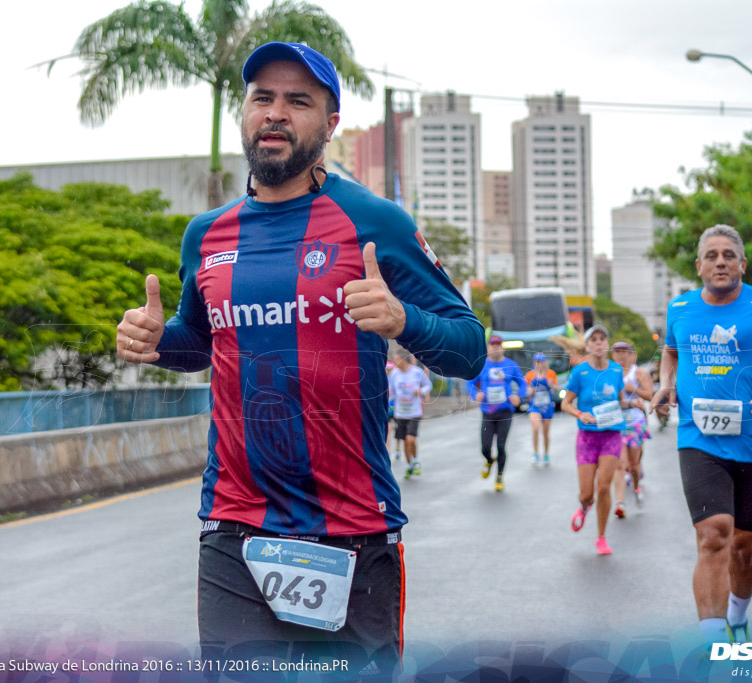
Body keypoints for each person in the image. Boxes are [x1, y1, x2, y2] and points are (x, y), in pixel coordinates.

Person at [115, 42, 485, 675]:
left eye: (298, 101)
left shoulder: (374, 220)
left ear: (330, 124)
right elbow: (200, 343)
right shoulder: (207, 235)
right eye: (263, 98)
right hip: (234, 526)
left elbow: (469, 348)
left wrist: (403, 320)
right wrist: (156, 342)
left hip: (351, 529)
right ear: (244, 112)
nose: (276, 113)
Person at [648, 224, 752, 644]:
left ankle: (738, 618)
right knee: (713, 534)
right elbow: (671, 350)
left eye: (728, 255)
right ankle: (712, 642)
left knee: (743, 547)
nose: (720, 261)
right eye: (711, 255)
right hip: (698, 439)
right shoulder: (680, 309)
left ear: (742, 263)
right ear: (699, 266)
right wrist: (666, 382)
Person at [561, 325, 627, 555]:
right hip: (587, 438)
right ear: (588, 346)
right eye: (594, 340)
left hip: (611, 435)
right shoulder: (580, 372)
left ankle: (601, 537)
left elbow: (620, 401)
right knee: (587, 494)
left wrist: (635, 403)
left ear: (607, 344)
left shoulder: (617, 370)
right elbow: (565, 402)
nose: (599, 343)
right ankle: (583, 506)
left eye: (602, 339)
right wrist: (580, 414)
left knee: (603, 487)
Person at [466, 336, 526, 492]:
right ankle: (488, 460)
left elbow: (522, 383)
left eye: (497, 344)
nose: (495, 347)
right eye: (492, 345)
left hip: (505, 412)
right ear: (488, 348)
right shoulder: (482, 365)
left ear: (502, 347)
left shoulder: (511, 365)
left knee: (500, 445)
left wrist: (518, 396)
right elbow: (470, 382)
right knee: (485, 447)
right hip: (488, 412)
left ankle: (499, 476)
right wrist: (475, 395)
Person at [609, 341, 653, 518]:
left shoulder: (639, 373)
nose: (621, 355)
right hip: (616, 423)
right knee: (620, 464)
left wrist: (631, 388)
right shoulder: (609, 373)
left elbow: (650, 395)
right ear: (612, 354)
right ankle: (620, 502)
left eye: (624, 351)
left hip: (635, 423)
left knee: (634, 464)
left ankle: (636, 487)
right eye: (617, 351)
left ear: (630, 354)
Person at [387, 351, 432, 479]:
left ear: (403, 360)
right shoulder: (394, 374)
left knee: (410, 439)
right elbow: (391, 391)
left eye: (396, 359)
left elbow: (428, 385)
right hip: (400, 413)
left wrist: (421, 391)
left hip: (414, 412)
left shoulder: (417, 372)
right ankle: (410, 465)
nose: (395, 362)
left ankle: (416, 460)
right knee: (404, 442)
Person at [524, 352, 558, 466]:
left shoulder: (551, 374)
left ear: (545, 363)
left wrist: (552, 385)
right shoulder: (529, 375)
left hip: (547, 406)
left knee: (545, 433)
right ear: (534, 363)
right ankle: (535, 453)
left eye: (541, 362)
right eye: (537, 362)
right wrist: (529, 392)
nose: (539, 364)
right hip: (535, 406)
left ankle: (546, 454)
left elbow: (557, 388)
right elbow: (525, 391)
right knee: (535, 428)